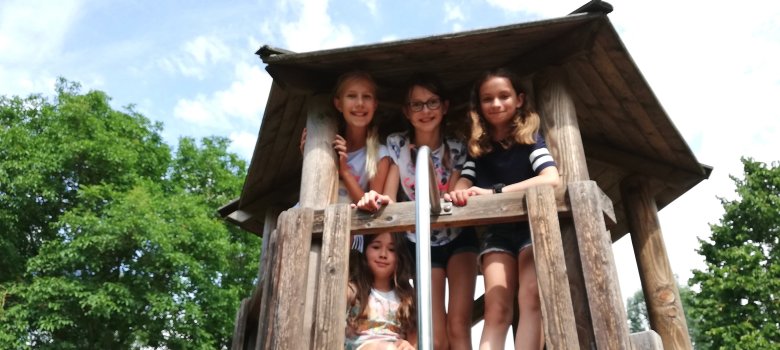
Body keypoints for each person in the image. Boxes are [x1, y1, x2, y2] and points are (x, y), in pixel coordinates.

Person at [357, 74, 478, 350]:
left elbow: (455, 193)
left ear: (444, 106)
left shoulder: (456, 146)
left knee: (459, 324)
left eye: (432, 103)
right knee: (435, 334)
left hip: (458, 238)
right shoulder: (398, 144)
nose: (425, 111)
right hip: (420, 241)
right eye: (417, 104)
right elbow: (390, 197)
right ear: (406, 111)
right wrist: (378, 199)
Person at [447, 68, 560, 350]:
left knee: (531, 297)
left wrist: (494, 193)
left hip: (533, 227)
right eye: (488, 99)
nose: (496, 104)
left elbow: (550, 178)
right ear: (479, 106)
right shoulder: (478, 149)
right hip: (497, 233)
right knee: (496, 307)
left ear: (519, 99)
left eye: (504, 96)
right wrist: (461, 190)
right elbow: (464, 181)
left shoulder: (529, 139)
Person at [300, 70, 392, 250]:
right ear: (338, 104)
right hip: (312, 219)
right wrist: (308, 157)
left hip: (350, 229)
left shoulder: (380, 154)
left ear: (375, 104)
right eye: (351, 96)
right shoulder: (325, 141)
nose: (359, 103)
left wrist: (345, 172)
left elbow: (372, 207)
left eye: (366, 97)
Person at [346, 232, 417, 350]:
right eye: (376, 247)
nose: (383, 254)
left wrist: (407, 345)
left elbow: (414, 340)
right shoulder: (354, 289)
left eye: (391, 249)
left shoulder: (407, 297)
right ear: (364, 251)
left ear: (399, 257)